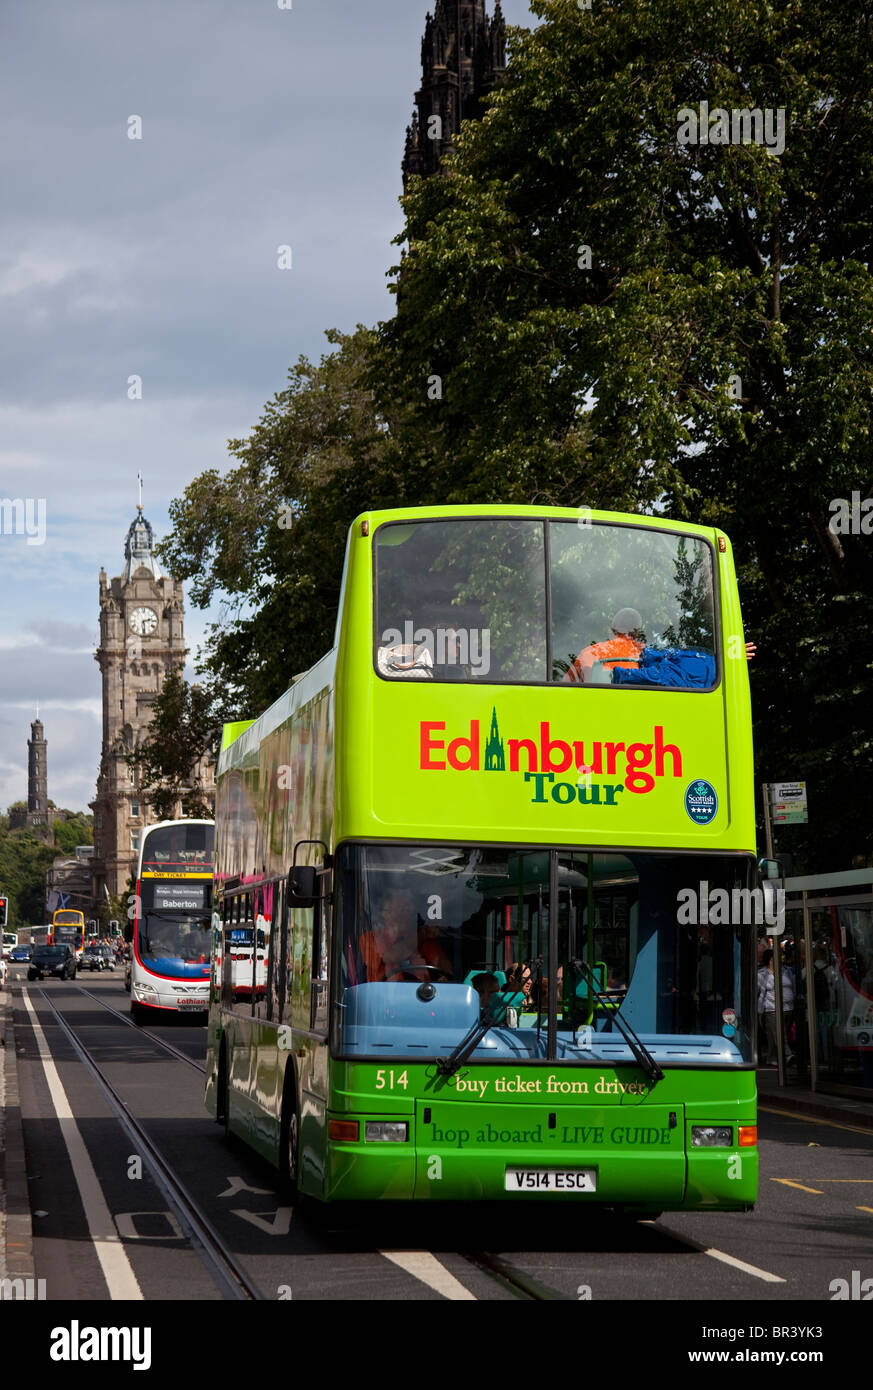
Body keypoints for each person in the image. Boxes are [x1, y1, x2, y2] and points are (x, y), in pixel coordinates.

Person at [359, 890, 429, 982]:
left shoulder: (423, 939)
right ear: (385, 913)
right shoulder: (369, 938)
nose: (408, 913)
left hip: (423, 992)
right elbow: (389, 956)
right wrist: (420, 937)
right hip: (381, 993)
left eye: (409, 909)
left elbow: (443, 967)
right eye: (402, 908)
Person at [563, 608, 645, 685]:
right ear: (637, 634)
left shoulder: (590, 653)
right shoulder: (646, 656)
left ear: (612, 630)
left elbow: (564, 687)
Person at [757, 947, 795, 1065]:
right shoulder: (762, 974)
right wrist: (760, 1011)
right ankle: (788, 1055)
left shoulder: (786, 970)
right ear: (770, 960)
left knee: (772, 1035)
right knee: (779, 1034)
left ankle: (771, 1058)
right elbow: (758, 992)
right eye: (775, 957)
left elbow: (793, 986)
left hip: (788, 1008)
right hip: (771, 1009)